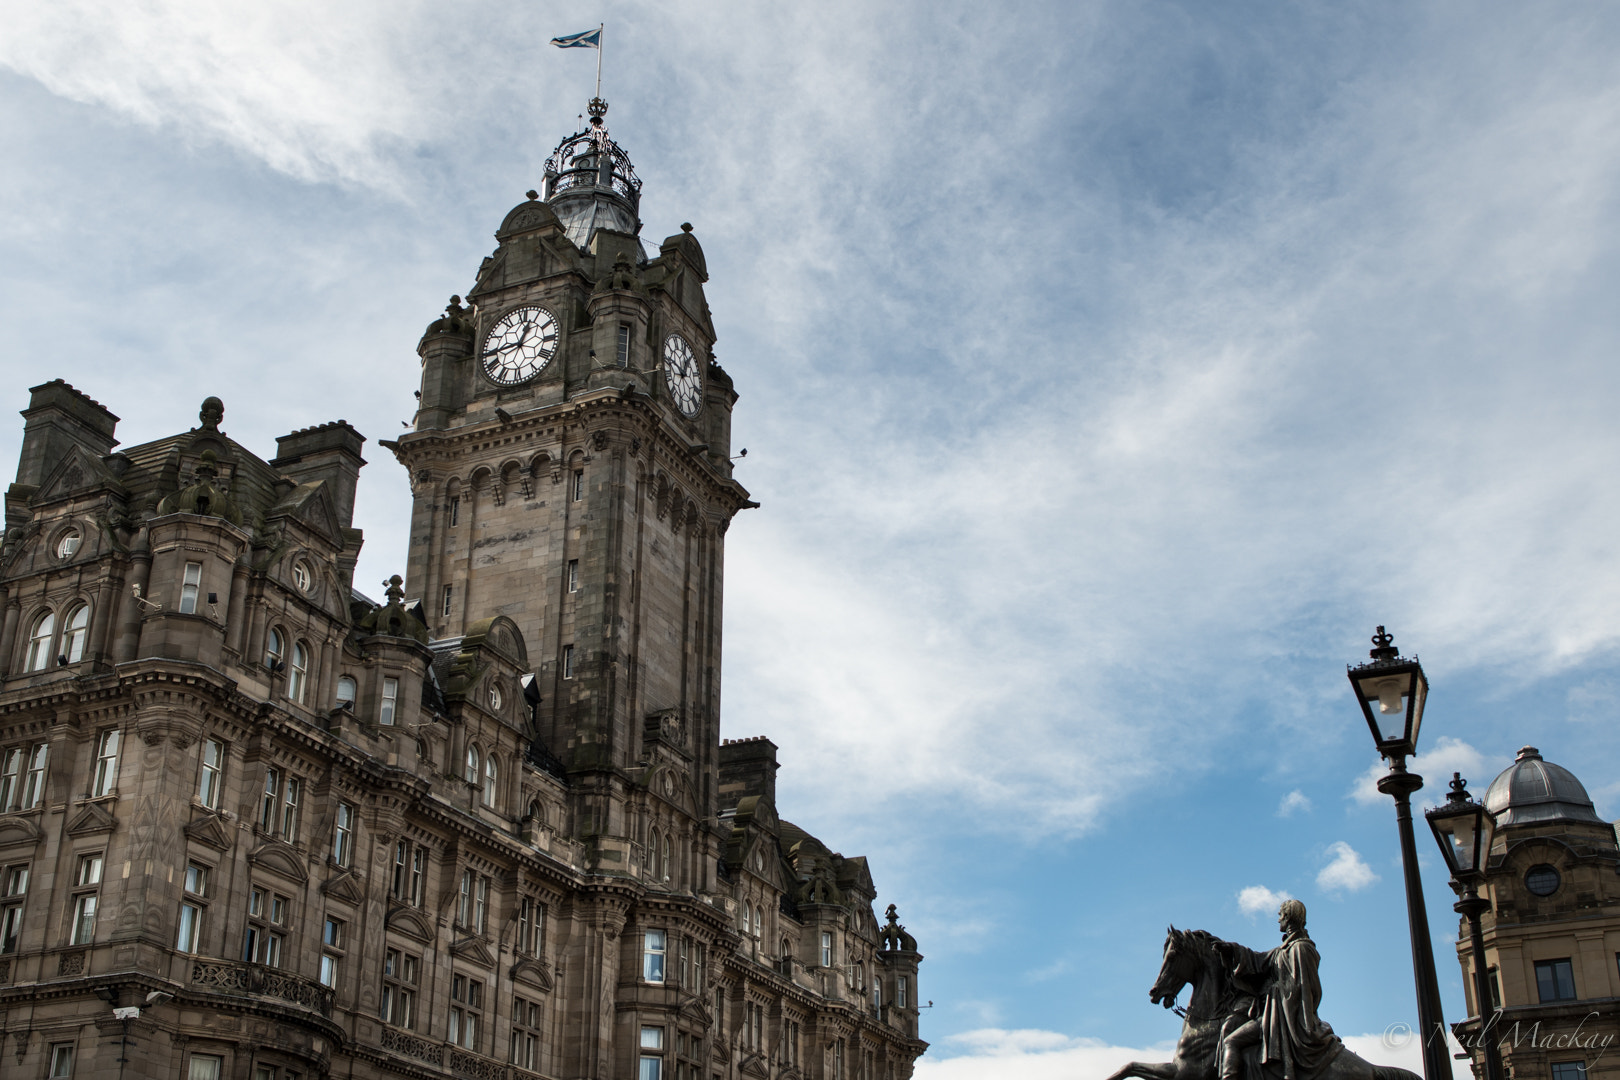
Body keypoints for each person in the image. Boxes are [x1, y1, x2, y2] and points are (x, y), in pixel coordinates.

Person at [1217, 899, 1343, 1080]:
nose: (1278, 920)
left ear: (1289, 917)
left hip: (1284, 1018)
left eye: (1281, 915)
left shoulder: (1300, 949)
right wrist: (1232, 950)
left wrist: (1276, 992)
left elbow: (1307, 989)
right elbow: (1257, 961)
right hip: (1272, 1014)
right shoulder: (1282, 951)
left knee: (1231, 1041)